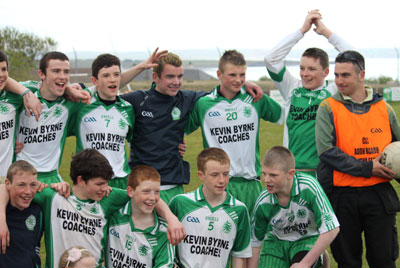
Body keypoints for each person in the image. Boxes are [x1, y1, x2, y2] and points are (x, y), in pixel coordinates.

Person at [0, 149, 184, 268]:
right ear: (80, 180)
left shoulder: (108, 198)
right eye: (99, 184)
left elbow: (146, 194)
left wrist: (171, 218)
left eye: (106, 183)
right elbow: (5, 187)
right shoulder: (52, 196)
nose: (105, 189)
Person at [315, 50, 400, 268]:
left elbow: (399, 152)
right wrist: (367, 167)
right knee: (348, 265)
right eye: (337, 75)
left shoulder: (384, 108)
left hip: (379, 197)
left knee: (384, 263)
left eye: (346, 75)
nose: (339, 80)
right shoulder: (328, 107)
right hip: (342, 196)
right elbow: (327, 151)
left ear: (361, 75)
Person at [264, 10, 352, 268]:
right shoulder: (292, 90)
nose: (304, 74)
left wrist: (325, 31)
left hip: (320, 177)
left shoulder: (332, 94)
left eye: (311, 69)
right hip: (289, 177)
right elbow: (272, 59)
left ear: (326, 72)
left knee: (316, 241)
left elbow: (352, 58)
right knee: (299, 239)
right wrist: (301, 30)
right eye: (302, 68)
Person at [120, 52, 263, 203]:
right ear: (155, 77)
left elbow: (223, 92)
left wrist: (241, 83)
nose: (176, 82)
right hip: (142, 186)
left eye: (180, 76)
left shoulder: (188, 98)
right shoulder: (137, 100)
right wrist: (142, 67)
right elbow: (109, 89)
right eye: (170, 76)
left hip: (174, 187)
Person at [246, 146, 339, 268]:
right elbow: (254, 243)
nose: (266, 179)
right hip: (276, 243)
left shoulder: (309, 187)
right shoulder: (264, 201)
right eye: (264, 174)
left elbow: (332, 228)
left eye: (273, 175)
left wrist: (304, 265)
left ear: (290, 174)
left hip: (306, 240)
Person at [185, 50, 283, 215]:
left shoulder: (255, 99)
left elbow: (285, 117)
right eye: (232, 75)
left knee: (253, 240)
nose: (238, 80)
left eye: (242, 74)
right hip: (219, 184)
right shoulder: (204, 104)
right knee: (221, 238)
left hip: (251, 185)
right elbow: (179, 130)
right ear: (219, 74)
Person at [169, 148, 252, 268]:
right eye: (214, 175)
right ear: (201, 175)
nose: (221, 180)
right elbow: (165, 242)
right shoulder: (181, 203)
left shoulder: (239, 210)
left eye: (225, 174)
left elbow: (239, 252)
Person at [106, 165, 189, 268]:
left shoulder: (164, 229)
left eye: (157, 192)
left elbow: (162, 267)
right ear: (130, 192)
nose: (152, 197)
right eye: (146, 191)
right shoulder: (114, 214)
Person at [9, 51, 89, 184]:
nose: (62, 76)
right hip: (19, 177)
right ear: (41, 74)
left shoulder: (71, 102)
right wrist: (25, 93)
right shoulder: (23, 93)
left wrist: (72, 89)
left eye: (66, 72)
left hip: (52, 179)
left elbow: (104, 93)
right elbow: (4, 80)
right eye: (56, 71)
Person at [70, 53, 135, 189]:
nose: (113, 80)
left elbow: (137, 142)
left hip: (120, 181)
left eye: (116, 75)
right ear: (95, 81)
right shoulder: (81, 104)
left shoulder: (128, 109)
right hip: (89, 181)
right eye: (106, 76)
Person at [0, 160, 47, 268]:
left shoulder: (38, 209)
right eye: (21, 185)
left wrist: (60, 186)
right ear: (8, 184)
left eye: (32, 185)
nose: (28, 192)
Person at [0, 50, 43, 178]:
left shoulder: (12, 97)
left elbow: (49, 86)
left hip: (6, 181)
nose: (1, 75)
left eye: (4, 69)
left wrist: (25, 92)